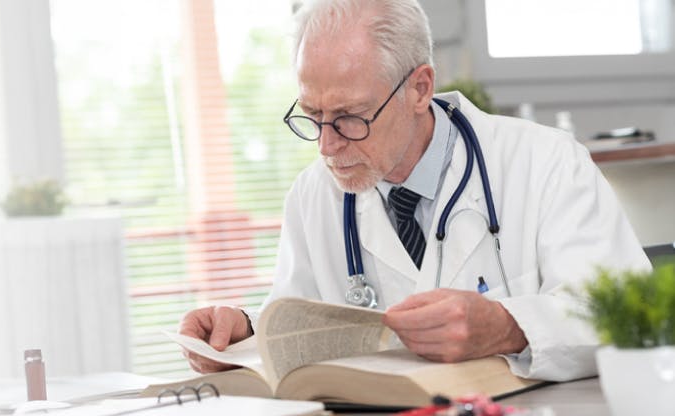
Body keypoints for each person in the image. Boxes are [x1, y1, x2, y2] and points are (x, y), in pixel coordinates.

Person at [179, 0, 650, 381]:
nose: (326, 144)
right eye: (312, 115)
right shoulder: (312, 197)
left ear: (420, 88)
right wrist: (242, 333)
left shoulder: (546, 163)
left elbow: (630, 319)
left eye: (349, 116)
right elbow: (297, 324)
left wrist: (508, 328)